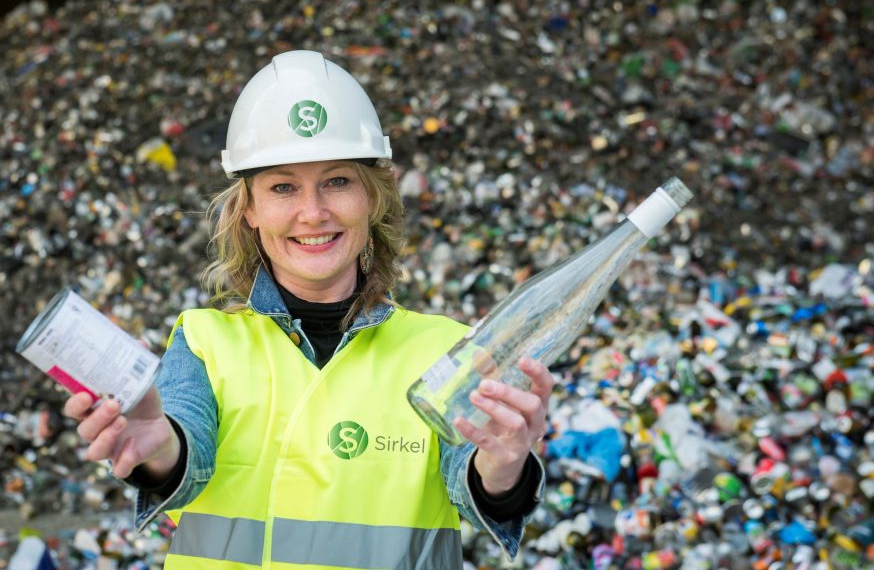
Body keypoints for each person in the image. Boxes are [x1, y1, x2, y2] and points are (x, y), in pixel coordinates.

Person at [63, 50, 555, 569]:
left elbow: (471, 478)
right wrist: (158, 448)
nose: (313, 212)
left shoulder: (446, 349)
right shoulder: (206, 341)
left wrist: (503, 470)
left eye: (337, 181)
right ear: (249, 208)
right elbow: (187, 451)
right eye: (282, 187)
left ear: (373, 196)